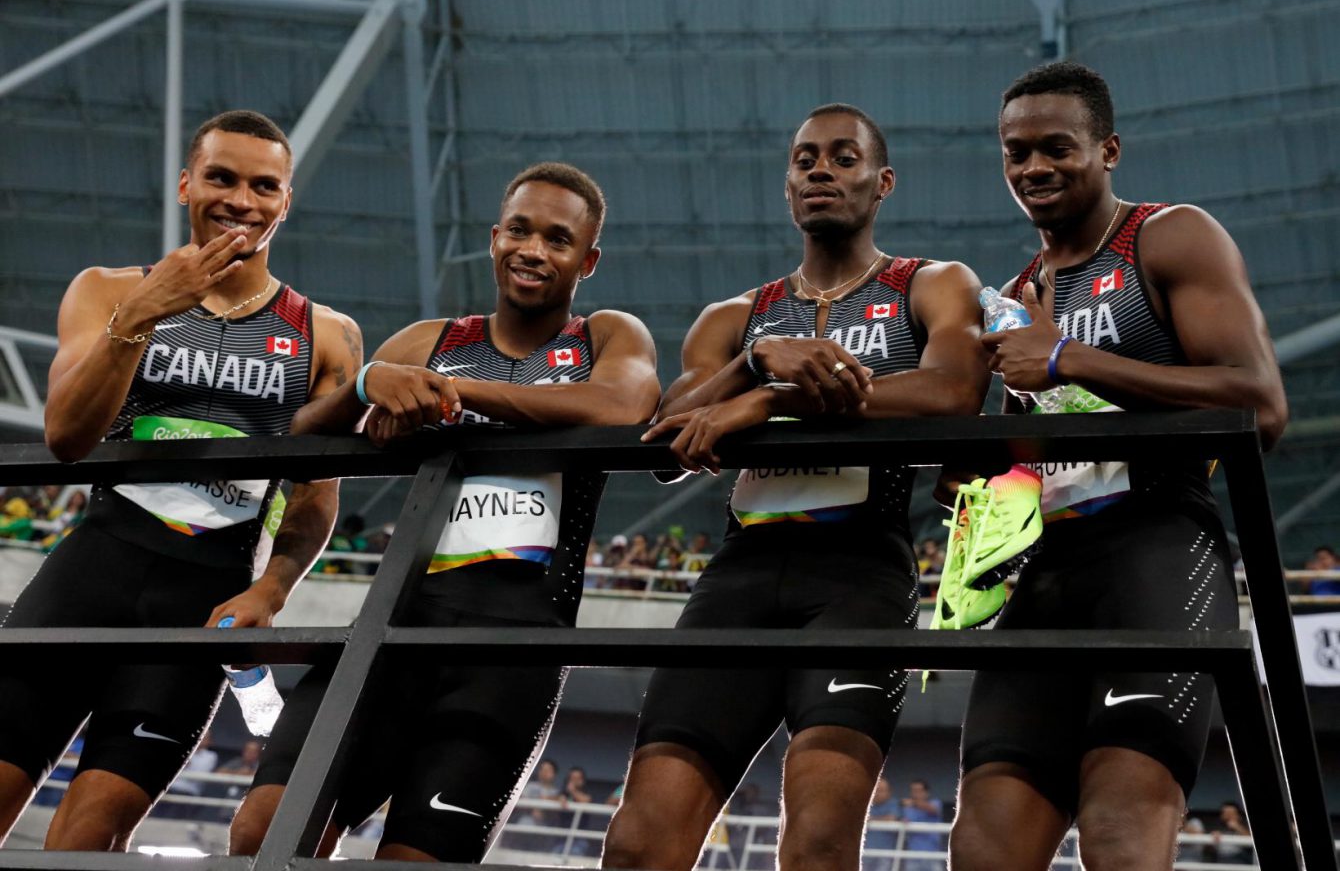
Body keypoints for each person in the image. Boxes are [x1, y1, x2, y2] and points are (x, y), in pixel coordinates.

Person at [229, 162, 659, 863]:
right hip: (392, 632)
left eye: (557, 239)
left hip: (511, 657)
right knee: (263, 832)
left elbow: (621, 406)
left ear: (589, 258)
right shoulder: (431, 340)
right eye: (519, 230)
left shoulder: (607, 336)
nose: (532, 250)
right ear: (494, 238)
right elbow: (301, 439)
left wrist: (451, 397)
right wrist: (370, 383)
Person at [604, 103, 989, 871]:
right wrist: (754, 365)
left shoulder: (932, 283)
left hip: (860, 579)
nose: (820, 169)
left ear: (882, 183)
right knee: (639, 842)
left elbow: (953, 392)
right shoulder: (737, 318)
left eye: (843, 158)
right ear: (786, 186)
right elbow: (665, 440)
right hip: (739, 577)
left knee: (817, 841)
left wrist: (775, 400)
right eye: (804, 158)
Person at [950, 62, 1287, 871]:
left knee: (1120, 834)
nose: (1033, 168)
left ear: (1108, 150)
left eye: (1057, 148)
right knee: (982, 846)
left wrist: (1071, 357)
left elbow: (1258, 404)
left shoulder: (1169, 236)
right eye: (1015, 153)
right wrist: (977, 509)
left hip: (1160, 546)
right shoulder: (1015, 293)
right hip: (1047, 573)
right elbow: (1020, 461)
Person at [0, 109, 356, 851]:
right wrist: (147, 310)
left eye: (264, 186)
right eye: (221, 178)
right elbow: (67, 435)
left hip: (202, 599)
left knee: (87, 841)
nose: (240, 200)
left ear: (285, 202)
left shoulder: (326, 333)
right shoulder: (106, 290)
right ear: (187, 183)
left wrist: (274, 587)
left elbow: (318, 493)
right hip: (92, 572)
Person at [898, 780, 944, 871]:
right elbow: (903, 820)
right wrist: (903, 820)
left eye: (919, 791)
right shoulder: (908, 808)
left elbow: (933, 809)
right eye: (913, 791)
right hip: (912, 854)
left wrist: (913, 803)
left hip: (932, 853)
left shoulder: (935, 802)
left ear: (926, 793)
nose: (916, 794)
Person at [862, 777, 900, 871]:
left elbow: (892, 818)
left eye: (882, 790)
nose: (878, 793)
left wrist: (871, 819)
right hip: (865, 852)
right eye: (876, 790)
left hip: (885, 853)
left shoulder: (893, 803)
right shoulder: (865, 803)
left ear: (889, 792)